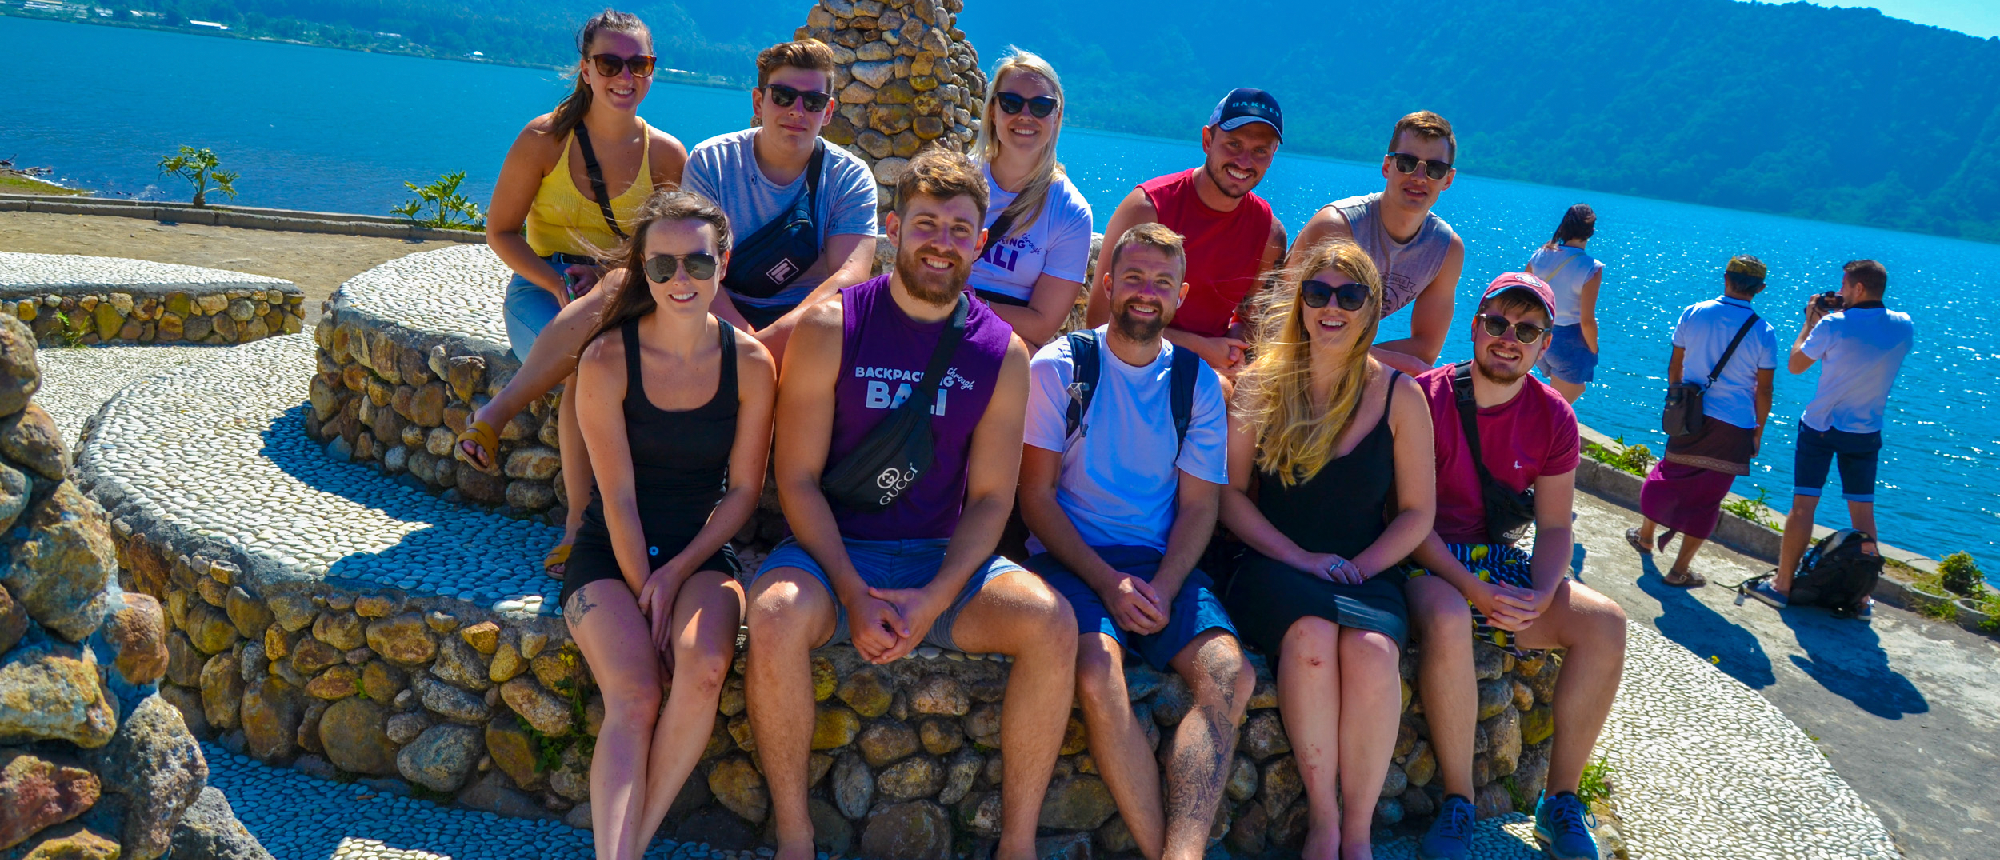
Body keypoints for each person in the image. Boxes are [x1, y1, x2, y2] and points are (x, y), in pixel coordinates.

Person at [742, 149, 1076, 860]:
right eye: (926, 223)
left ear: (980, 244)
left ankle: (1017, 844)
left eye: (960, 230)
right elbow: (795, 478)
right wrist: (855, 594)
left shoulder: (1002, 354)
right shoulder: (834, 327)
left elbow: (990, 499)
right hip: (831, 551)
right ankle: (795, 837)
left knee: (1052, 626)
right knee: (771, 617)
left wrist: (932, 599)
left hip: (936, 557)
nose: (941, 242)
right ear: (895, 228)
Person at [1018, 223, 1251, 860]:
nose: (1146, 293)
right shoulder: (1060, 368)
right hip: (1075, 559)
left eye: (1162, 282)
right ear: (1107, 284)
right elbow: (1035, 499)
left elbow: (1200, 506)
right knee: (1097, 670)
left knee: (1230, 677)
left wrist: (1166, 585)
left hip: (1162, 564)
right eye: (1134, 278)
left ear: (1179, 296)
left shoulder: (1196, 383)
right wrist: (1105, 582)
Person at [559, 191, 776, 860]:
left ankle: (627, 848)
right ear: (641, 269)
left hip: (702, 550)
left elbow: (743, 491)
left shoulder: (752, 363)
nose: (681, 281)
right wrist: (643, 583)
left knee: (705, 663)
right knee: (635, 693)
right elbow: (616, 495)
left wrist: (678, 571)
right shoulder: (606, 360)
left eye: (697, 263)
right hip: (610, 551)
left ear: (724, 261)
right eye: (661, 266)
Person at [1221, 239, 1435, 860]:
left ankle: (1359, 834)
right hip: (1272, 562)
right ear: (1301, 304)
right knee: (1311, 644)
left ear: (1371, 309)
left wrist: (1364, 566)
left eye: (1349, 295)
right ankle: (1323, 822)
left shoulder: (1401, 395)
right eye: (1318, 293)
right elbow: (1231, 498)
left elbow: (1419, 513)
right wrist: (1299, 558)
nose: (1331, 307)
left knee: (1371, 654)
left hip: (1364, 569)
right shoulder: (1262, 385)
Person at [1404, 274, 1627, 860]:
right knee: (1450, 615)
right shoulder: (1423, 398)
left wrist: (1540, 589)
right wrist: (1474, 588)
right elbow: (1407, 521)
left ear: (1545, 343)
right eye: (1498, 323)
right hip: (1425, 559)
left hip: (1497, 561)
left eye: (1527, 330)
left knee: (1605, 623)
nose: (1509, 339)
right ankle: (1459, 801)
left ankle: (1560, 802)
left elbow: (1555, 526)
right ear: (1476, 326)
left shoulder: (1554, 418)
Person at [463, 9, 689, 579]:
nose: (625, 75)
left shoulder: (665, 156)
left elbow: (664, 245)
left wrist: (611, 272)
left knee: (596, 353)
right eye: (609, 62)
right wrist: (556, 281)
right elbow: (501, 232)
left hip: (623, 290)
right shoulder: (545, 141)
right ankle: (578, 528)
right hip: (542, 287)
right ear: (585, 69)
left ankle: (496, 419)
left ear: (652, 71)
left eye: (639, 64)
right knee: (587, 366)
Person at [683, 38, 880, 358]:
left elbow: (849, 278)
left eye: (813, 101)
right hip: (717, 310)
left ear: (828, 111)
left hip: (808, 318)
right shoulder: (711, 162)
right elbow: (695, 264)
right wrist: (746, 342)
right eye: (784, 96)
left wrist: (770, 341)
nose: (797, 111)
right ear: (759, 103)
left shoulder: (849, 177)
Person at [1086, 88, 1289, 376]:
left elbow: (1254, 324)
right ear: (1207, 140)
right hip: (1128, 366)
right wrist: (1200, 348)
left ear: (1273, 155)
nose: (1244, 162)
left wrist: (1232, 349)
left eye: (1260, 151)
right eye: (1233, 144)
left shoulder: (1268, 233)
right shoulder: (1148, 209)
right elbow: (1099, 322)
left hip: (1209, 376)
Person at [1754, 259, 1914, 608]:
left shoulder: (1835, 325)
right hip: (1866, 430)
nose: (1839, 293)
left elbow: (1796, 365)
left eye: (1844, 286)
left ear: (1857, 288)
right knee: (1863, 513)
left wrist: (1810, 322)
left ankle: (1781, 586)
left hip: (1822, 426)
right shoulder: (1904, 326)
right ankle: (1861, 596)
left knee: (1802, 506)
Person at [1628, 256, 1776, 586]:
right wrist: (1758, 431)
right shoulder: (1764, 332)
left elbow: (1675, 367)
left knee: (1668, 474)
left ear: (1725, 278)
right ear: (1760, 289)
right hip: (1735, 425)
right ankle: (1679, 570)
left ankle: (1646, 536)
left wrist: (1675, 402)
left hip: (1691, 413)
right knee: (1708, 499)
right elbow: (1763, 390)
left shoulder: (1694, 313)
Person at [1285, 111, 1464, 377]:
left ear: (1447, 179)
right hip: (1286, 360)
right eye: (1406, 162)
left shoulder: (1445, 250)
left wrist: (1360, 357)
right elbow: (1282, 322)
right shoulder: (1336, 227)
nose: (1418, 176)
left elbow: (1425, 348)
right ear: (1387, 166)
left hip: (1339, 362)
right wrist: (1377, 359)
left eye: (1434, 169)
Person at [967, 50, 1094, 347]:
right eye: (1011, 103)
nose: (1025, 116)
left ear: (1057, 117)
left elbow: (1040, 326)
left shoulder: (1070, 212)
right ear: (992, 111)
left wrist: (965, 307)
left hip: (1002, 343)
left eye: (1041, 106)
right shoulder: (957, 178)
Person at [1524, 204, 1604, 403]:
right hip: (1569, 341)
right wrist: (1593, 348)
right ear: (1591, 232)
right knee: (1558, 405)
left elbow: (1524, 294)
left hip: (1539, 333)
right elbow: (1587, 321)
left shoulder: (1540, 254)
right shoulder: (1591, 268)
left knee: (1553, 397)